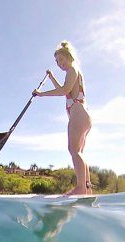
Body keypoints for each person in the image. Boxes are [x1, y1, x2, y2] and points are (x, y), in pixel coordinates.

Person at [33, 41, 93, 195]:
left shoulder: (72, 69)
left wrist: (41, 94)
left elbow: (63, 90)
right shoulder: (74, 71)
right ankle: (87, 188)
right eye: (57, 62)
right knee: (78, 151)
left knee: (74, 150)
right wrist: (52, 77)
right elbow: (65, 90)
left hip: (78, 114)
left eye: (61, 60)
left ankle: (81, 187)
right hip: (83, 115)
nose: (59, 64)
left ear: (69, 56)